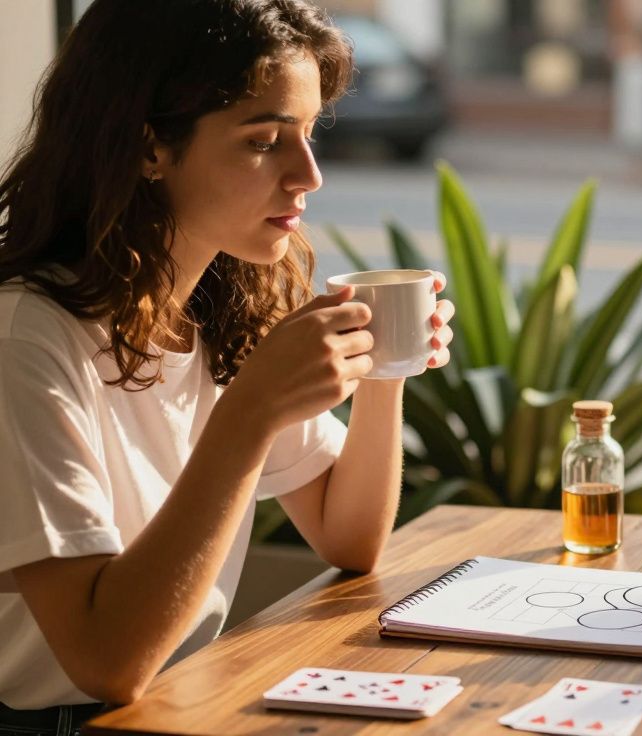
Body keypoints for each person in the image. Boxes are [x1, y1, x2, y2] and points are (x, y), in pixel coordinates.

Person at [0, 0, 454, 732]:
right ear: (149, 147)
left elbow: (349, 537)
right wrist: (249, 414)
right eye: (264, 141)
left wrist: (383, 368)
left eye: (308, 135)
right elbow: (104, 661)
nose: (307, 176)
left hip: (182, 698)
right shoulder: (26, 342)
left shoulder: (216, 313)